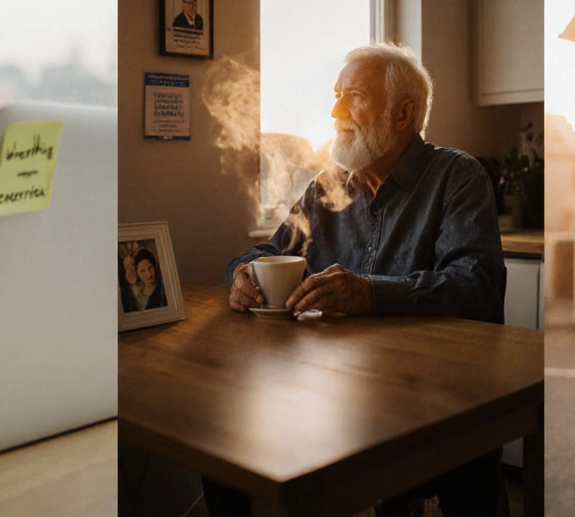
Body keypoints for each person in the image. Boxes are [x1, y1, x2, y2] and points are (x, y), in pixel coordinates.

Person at [209, 43, 508, 517]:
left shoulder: (458, 177)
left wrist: (371, 293)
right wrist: (242, 274)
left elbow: (477, 286)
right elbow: (266, 252)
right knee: (223, 449)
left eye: (354, 96)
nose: (335, 110)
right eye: (335, 95)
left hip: (433, 406)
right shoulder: (326, 187)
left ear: (403, 113)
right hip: (337, 397)